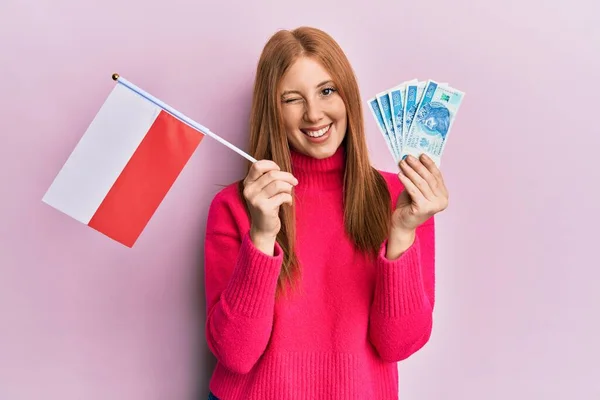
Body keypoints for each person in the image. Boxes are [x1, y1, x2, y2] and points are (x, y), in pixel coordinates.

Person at [203, 26, 449, 400]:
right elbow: (236, 355)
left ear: (347, 96)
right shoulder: (236, 206)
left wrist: (402, 234)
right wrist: (262, 237)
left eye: (327, 91)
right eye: (292, 99)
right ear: (273, 109)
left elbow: (398, 345)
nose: (314, 114)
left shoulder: (402, 200)